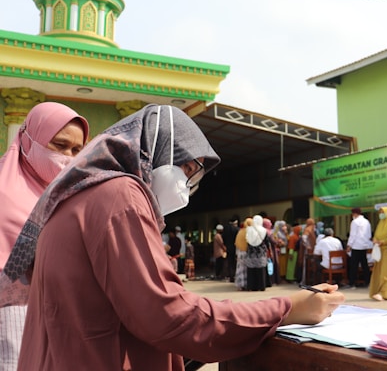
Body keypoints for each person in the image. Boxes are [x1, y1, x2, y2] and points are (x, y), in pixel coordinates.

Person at [2, 104, 344, 370]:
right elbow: (171, 316)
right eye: (187, 169)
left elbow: (135, 309)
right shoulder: (119, 196)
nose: (187, 185)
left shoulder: (80, 197)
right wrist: (287, 308)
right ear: (154, 151)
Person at [0, 102, 88, 371]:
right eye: (59, 145)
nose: (68, 157)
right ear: (28, 140)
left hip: (57, 313)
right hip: (11, 314)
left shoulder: (66, 195)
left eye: (76, 150)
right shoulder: (4, 190)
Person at [346, 207, 373, 288]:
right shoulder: (367, 222)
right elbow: (369, 235)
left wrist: (349, 245)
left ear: (354, 214)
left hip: (356, 246)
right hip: (364, 246)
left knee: (354, 265)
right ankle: (368, 282)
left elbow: (353, 235)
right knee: (365, 265)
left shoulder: (354, 222)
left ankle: (352, 283)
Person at [245, 215, 269, 291]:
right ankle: (261, 286)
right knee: (260, 270)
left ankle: (251, 287)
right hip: (260, 253)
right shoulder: (264, 230)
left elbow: (246, 240)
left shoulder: (249, 229)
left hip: (251, 253)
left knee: (251, 270)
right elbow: (266, 242)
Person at [234, 218, 249, 291]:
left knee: (240, 269)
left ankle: (239, 285)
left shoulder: (240, 232)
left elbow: (237, 243)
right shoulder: (248, 232)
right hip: (246, 253)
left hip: (239, 253)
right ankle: (245, 284)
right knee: (245, 270)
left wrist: (237, 254)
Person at [223, 216, 239, 282]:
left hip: (228, 248)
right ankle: (235, 275)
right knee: (235, 262)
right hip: (235, 247)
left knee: (229, 262)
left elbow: (223, 238)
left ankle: (230, 276)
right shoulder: (236, 229)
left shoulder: (225, 229)